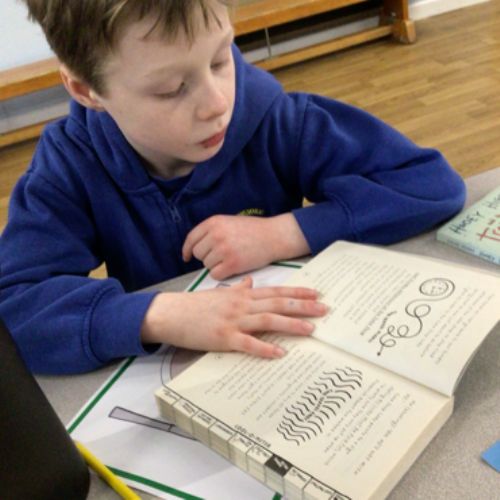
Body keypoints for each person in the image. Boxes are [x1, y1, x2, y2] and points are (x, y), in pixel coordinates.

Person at [0, 0, 465, 374]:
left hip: (288, 358)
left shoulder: (278, 121)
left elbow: (430, 183)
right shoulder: (70, 164)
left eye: (221, 59)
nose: (217, 103)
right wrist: (157, 315)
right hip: (166, 379)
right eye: (171, 88)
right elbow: (14, 307)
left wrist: (285, 232)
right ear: (86, 91)